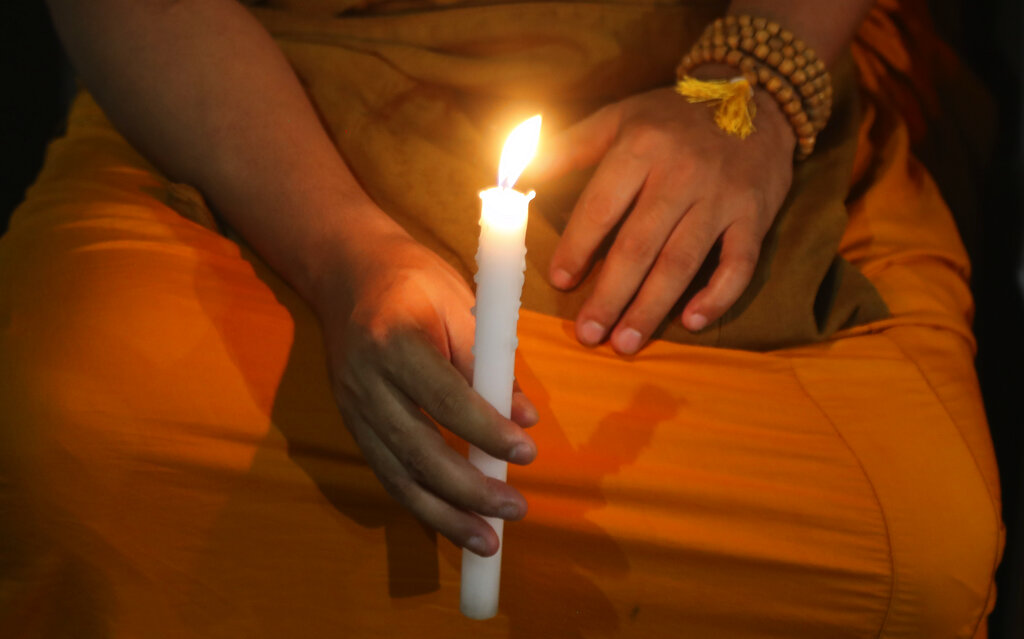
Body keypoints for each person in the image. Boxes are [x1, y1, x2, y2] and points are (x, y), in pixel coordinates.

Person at [0, 0, 1003, 636]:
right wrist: (343, 247)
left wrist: (755, 89)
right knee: (94, 453)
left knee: (916, 546)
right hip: (266, 100)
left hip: (715, 78)